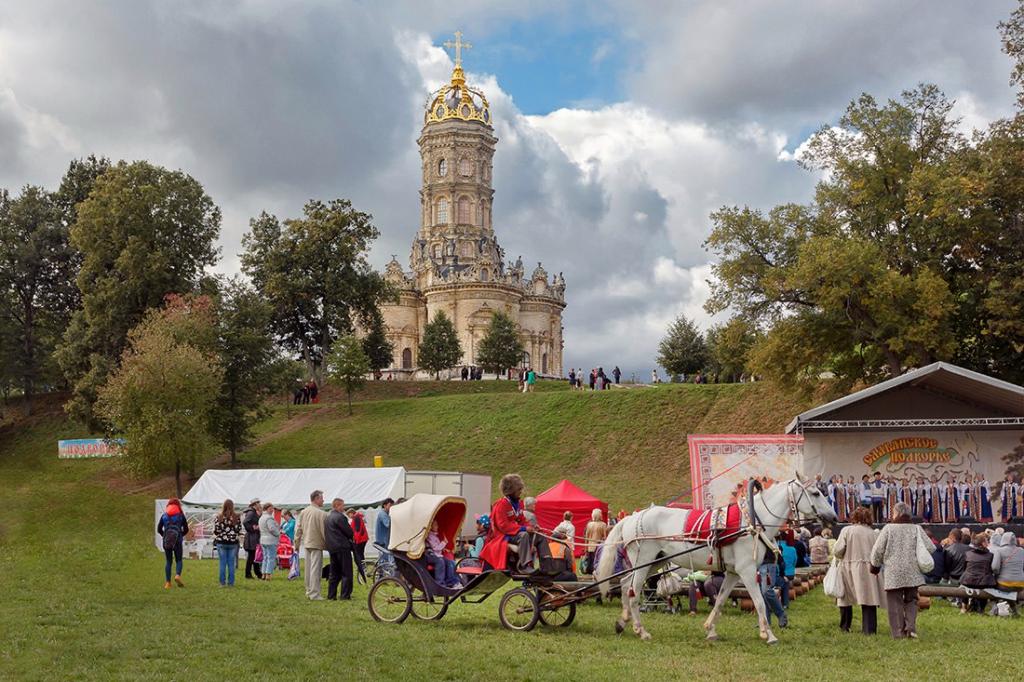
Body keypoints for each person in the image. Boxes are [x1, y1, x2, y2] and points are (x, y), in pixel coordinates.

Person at [870, 501, 930, 639]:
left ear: (897, 513)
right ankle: (911, 628)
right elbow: (930, 547)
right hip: (913, 571)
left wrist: (875, 567)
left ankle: (898, 633)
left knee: (894, 601)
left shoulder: (888, 528)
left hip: (893, 571)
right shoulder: (916, 529)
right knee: (912, 600)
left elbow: (877, 551)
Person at [479, 474, 550, 574]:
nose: (520, 491)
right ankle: (524, 565)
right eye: (519, 489)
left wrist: (531, 527)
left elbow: (522, 520)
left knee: (540, 536)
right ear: (511, 490)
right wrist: (524, 529)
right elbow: (503, 526)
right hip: (504, 536)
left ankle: (547, 565)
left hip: (514, 533)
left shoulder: (516, 504)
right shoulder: (501, 505)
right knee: (523, 535)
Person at [834, 506, 883, 634]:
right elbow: (878, 553)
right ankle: (869, 629)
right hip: (868, 569)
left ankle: (845, 626)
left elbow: (838, 551)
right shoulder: (873, 533)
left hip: (848, 567)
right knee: (868, 598)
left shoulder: (847, 530)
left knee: (845, 598)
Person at [295, 490, 328, 600]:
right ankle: (314, 594)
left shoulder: (304, 511)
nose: (323, 500)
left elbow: (298, 529)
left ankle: (309, 590)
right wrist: (328, 545)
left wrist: (297, 543)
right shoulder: (321, 513)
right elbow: (324, 531)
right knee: (315, 569)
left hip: (307, 542)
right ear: (317, 499)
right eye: (322, 498)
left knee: (309, 569)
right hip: (317, 543)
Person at [960, 532, 998, 613]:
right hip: (983, 583)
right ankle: (981, 609)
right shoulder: (990, 555)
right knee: (985, 585)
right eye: (987, 541)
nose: (988, 542)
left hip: (968, 581)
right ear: (983, 543)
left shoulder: (968, 554)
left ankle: (963, 607)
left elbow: (964, 568)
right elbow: (991, 569)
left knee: (964, 583)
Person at [324, 498, 354, 600]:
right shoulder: (340, 517)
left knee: (334, 573)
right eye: (342, 505)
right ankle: (345, 595)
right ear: (337, 506)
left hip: (332, 548)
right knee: (346, 572)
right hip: (342, 547)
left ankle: (331, 595)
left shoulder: (328, 517)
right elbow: (349, 532)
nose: (343, 508)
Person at [157, 498, 189, 589]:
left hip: (166, 541)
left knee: (168, 561)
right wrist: (180, 535)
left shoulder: (164, 516)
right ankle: (177, 575)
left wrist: (164, 536)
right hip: (177, 541)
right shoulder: (181, 516)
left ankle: (168, 583)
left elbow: (159, 529)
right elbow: (186, 529)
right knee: (179, 560)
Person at [992, 532, 1024, 615]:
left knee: (993, 585)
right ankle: (1014, 611)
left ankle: (995, 608)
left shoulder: (999, 551)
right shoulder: (1022, 551)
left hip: (1004, 584)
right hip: (1020, 584)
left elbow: (995, 568)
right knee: (1010, 591)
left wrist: (998, 574)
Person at [214, 499, 242, 587]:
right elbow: (238, 529)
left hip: (221, 542)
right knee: (231, 563)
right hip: (233, 543)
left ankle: (222, 583)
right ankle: (231, 583)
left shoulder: (219, 516)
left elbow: (216, 530)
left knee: (222, 563)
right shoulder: (236, 517)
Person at [757, 550, 787, 628]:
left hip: (768, 563)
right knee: (762, 594)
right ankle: (765, 621)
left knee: (766, 591)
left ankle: (781, 614)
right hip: (759, 564)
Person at [426, 520, 459, 588]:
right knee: (440, 561)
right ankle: (440, 583)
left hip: (437, 555)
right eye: (435, 525)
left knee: (451, 562)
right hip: (430, 555)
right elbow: (435, 548)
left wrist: (443, 548)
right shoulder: (430, 536)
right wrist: (444, 542)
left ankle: (451, 581)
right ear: (430, 526)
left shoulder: (435, 536)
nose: (437, 527)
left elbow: (438, 548)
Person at [257, 502, 280, 580]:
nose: (272, 510)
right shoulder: (269, 518)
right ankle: (268, 574)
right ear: (266, 509)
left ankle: (263, 573)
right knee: (271, 558)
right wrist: (278, 533)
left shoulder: (261, 517)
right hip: (270, 540)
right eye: (271, 508)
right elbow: (272, 528)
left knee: (265, 557)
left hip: (263, 539)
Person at [347, 508, 369, 583]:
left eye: (348, 514)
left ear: (351, 513)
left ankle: (362, 568)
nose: (348, 516)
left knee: (358, 555)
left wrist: (356, 541)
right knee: (360, 554)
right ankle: (363, 567)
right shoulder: (358, 517)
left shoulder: (356, 518)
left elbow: (357, 531)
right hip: (363, 539)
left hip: (360, 540)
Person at [242, 498, 262, 580]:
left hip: (253, 537)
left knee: (253, 556)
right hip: (252, 537)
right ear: (255, 504)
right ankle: (249, 574)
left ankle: (257, 573)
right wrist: (252, 528)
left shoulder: (252, 512)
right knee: (252, 556)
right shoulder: (251, 512)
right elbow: (245, 522)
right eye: (258, 503)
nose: (260, 504)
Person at [776, 533, 797, 609]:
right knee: (785, 582)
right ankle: (785, 603)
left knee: (782, 581)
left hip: (779, 573)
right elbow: (795, 562)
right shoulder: (792, 549)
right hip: (790, 573)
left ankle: (783, 603)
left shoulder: (775, 548)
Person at [375, 498, 395, 570]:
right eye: (390, 505)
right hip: (382, 540)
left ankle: (383, 575)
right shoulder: (382, 514)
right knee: (384, 558)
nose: (391, 507)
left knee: (385, 557)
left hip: (386, 539)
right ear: (385, 505)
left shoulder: (387, 513)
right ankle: (380, 576)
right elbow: (388, 524)